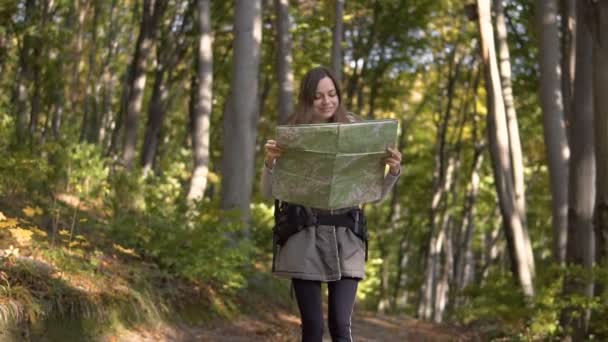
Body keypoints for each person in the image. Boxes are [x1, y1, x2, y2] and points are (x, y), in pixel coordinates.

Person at [261, 66, 401, 342]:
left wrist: (393, 171)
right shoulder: (292, 135)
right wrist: (269, 162)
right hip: (303, 237)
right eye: (318, 96)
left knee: (340, 324)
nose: (327, 101)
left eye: (332, 94)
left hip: (347, 239)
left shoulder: (358, 131)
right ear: (307, 99)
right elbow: (268, 191)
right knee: (312, 327)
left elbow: (373, 193)